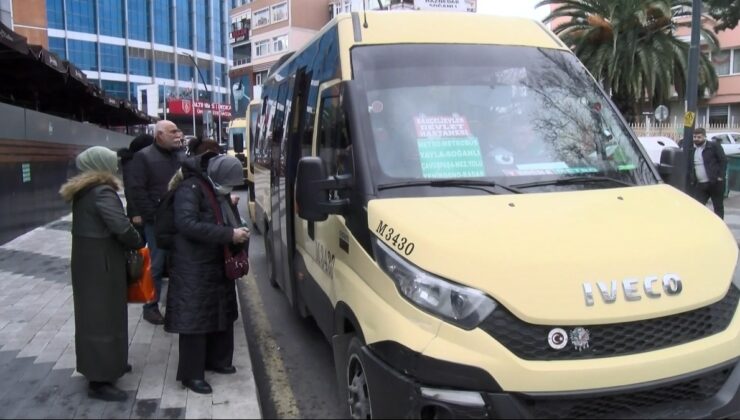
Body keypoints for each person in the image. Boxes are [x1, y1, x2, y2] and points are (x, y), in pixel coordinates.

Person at [59, 146, 144, 402]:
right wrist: (137, 240)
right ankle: (99, 381)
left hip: (89, 263)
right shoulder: (102, 191)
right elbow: (119, 225)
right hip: (103, 264)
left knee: (96, 317)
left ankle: (110, 363)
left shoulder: (83, 189)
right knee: (104, 317)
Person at [164, 153, 249, 394]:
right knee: (195, 320)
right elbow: (186, 223)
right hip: (193, 264)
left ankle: (217, 361)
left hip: (213, 260)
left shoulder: (210, 187)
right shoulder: (190, 188)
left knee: (219, 311)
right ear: (215, 175)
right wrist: (229, 235)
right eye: (227, 183)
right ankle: (192, 375)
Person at [128, 120, 185, 325]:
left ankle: (177, 305)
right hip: (157, 221)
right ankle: (150, 307)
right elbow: (137, 190)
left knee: (179, 262)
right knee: (156, 263)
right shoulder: (143, 157)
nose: (177, 134)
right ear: (159, 135)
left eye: (178, 130)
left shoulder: (180, 156)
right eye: (172, 131)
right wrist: (152, 215)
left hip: (180, 217)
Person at [118, 134, 154, 241]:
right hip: (138, 213)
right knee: (142, 242)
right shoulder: (132, 164)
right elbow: (131, 189)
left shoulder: (137, 161)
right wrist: (135, 214)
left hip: (143, 209)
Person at [689, 127, 728, 219]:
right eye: (694, 137)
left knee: (718, 207)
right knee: (697, 206)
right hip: (701, 184)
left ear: (705, 137)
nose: (696, 139)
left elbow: (723, 160)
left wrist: (720, 176)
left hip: (715, 182)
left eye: (699, 137)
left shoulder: (713, 146)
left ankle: (719, 226)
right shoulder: (692, 149)